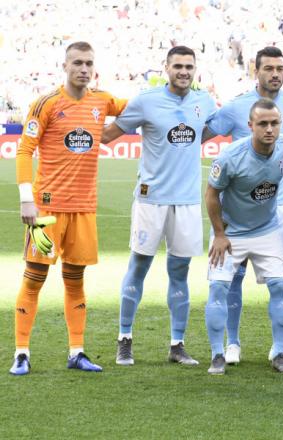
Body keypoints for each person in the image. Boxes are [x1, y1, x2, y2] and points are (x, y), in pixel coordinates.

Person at [11, 41, 125, 375]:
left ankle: (77, 351)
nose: (84, 69)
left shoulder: (102, 102)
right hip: (46, 210)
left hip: (83, 209)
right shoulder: (45, 103)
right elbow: (24, 150)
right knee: (34, 277)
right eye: (77, 63)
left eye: (89, 63)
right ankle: (21, 352)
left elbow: (137, 107)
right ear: (65, 66)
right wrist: (25, 198)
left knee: (75, 279)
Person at [102, 46, 217, 367]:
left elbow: (204, 132)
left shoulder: (204, 101)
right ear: (165, 67)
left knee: (179, 272)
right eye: (177, 66)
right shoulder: (146, 100)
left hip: (187, 202)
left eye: (189, 66)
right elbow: (109, 135)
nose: (183, 71)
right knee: (138, 267)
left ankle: (177, 344)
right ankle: (124, 340)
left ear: (195, 69)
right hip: (150, 199)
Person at [204, 46, 283, 366]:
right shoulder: (231, 149)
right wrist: (220, 234)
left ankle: (278, 349)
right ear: (251, 125)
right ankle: (223, 350)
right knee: (223, 285)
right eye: (264, 124)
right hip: (232, 227)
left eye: (275, 123)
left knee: (281, 282)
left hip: (271, 221)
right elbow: (211, 193)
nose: (271, 129)